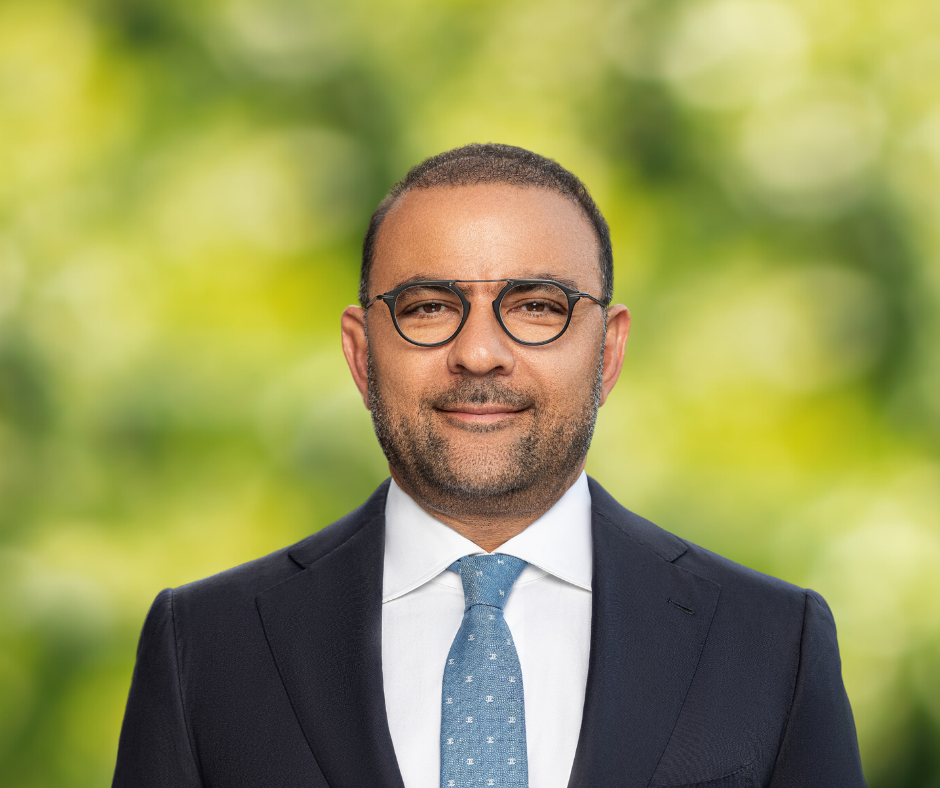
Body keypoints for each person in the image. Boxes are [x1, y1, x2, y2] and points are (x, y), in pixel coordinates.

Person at [113, 143, 866, 788]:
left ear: (608, 351)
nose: (479, 352)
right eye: (429, 306)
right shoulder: (205, 644)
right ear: (360, 351)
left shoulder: (773, 642)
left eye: (537, 306)